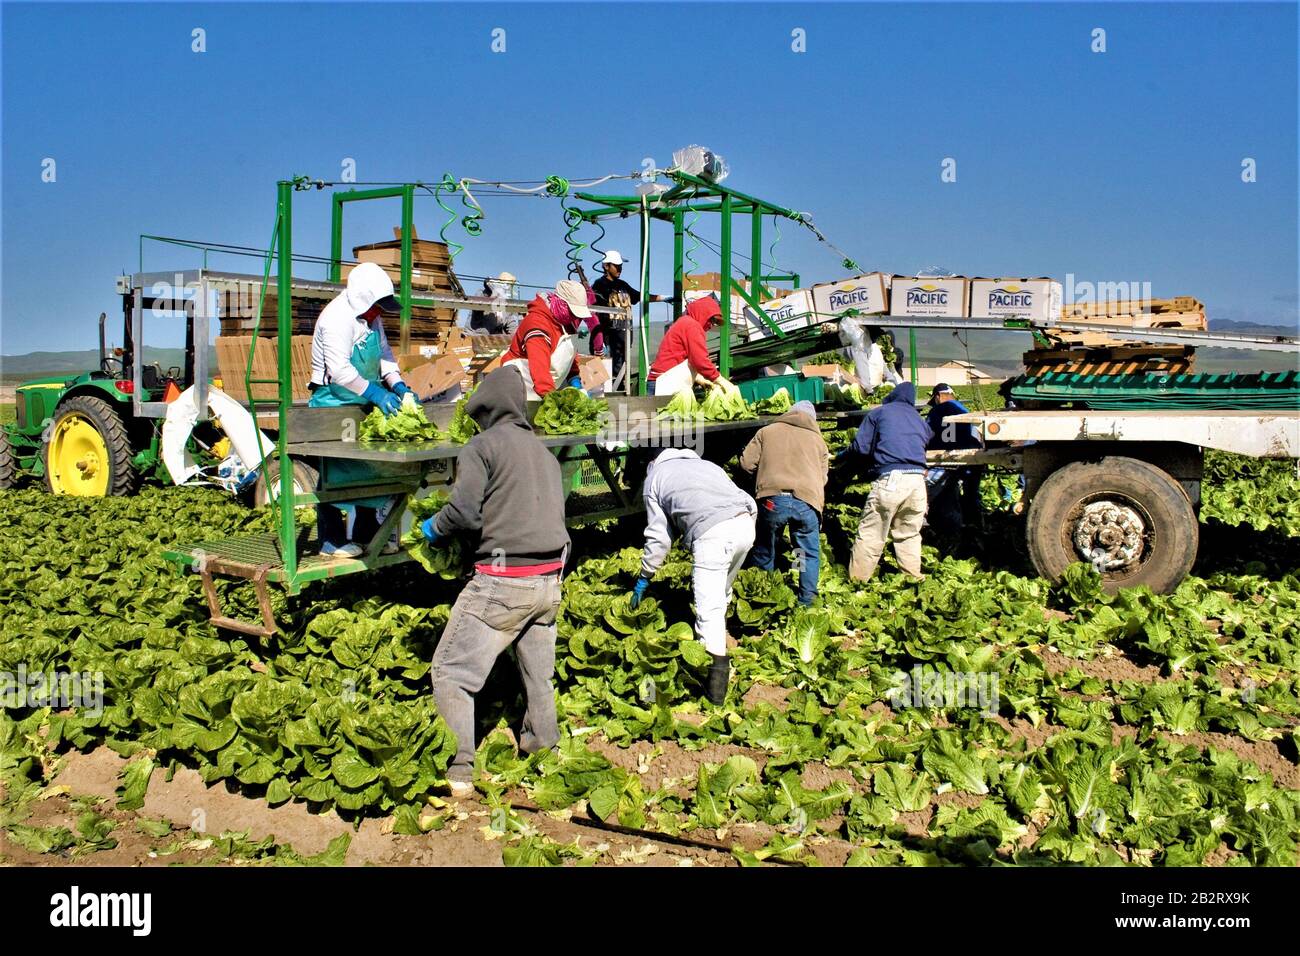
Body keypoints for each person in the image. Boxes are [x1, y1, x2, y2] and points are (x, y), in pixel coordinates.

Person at [419, 368, 571, 797]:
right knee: (537, 674)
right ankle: (545, 749)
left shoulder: (481, 446)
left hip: (504, 584)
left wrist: (433, 527)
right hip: (548, 582)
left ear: (484, 411)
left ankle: (459, 768)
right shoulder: (544, 454)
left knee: (451, 671)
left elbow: (465, 512)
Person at [629, 449, 756, 705]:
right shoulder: (709, 465)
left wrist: (645, 576)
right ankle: (722, 639)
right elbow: (743, 498)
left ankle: (714, 692)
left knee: (707, 610)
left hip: (713, 534)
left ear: (651, 464)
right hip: (746, 523)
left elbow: (659, 538)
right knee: (721, 591)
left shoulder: (655, 478)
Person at [307, 261, 412, 558]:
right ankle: (331, 540)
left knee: (368, 469)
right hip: (332, 401)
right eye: (377, 306)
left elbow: (384, 356)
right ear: (364, 300)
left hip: (361, 399)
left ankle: (366, 534)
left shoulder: (371, 319)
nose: (380, 313)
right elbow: (339, 371)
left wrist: (398, 384)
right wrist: (376, 392)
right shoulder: (335, 319)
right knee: (332, 472)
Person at [739, 400, 829, 606]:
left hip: (772, 501)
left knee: (765, 547)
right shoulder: (818, 441)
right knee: (805, 551)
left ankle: (763, 600)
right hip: (806, 502)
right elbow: (823, 478)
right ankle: (805, 601)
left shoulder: (767, 432)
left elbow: (746, 464)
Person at [841, 381, 933, 582]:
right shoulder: (918, 419)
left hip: (893, 479)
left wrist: (841, 456)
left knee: (872, 533)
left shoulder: (879, 413)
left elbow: (860, 448)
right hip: (918, 482)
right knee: (908, 533)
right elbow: (927, 439)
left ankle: (858, 581)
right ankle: (913, 579)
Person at [501, 278, 594, 399]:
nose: (574, 317)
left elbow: (569, 353)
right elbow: (539, 370)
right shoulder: (537, 324)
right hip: (520, 386)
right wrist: (552, 401)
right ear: (560, 302)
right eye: (572, 312)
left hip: (544, 386)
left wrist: (575, 379)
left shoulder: (566, 322)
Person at [591, 250, 662, 389]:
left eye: (620, 266)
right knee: (604, 379)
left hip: (624, 338)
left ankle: (621, 394)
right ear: (606, 266)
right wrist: (599, 341)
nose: (620, 269)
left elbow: (640, 296)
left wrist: (663, 298)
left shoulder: (623, 285)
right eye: (616, 266)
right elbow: (593, 310)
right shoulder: (599, 286)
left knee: (622, 373)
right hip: (608, 339)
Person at [924, 383, 984, 542]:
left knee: (944, 493)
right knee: (972, 493)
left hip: (943, 460)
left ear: (937, 396)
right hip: (967, 458)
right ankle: (976, 526)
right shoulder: (964, 411)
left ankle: (947, 530)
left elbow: (927, 435)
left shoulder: (934, 412)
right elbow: (976, 436)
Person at [647, 296, 740, 396]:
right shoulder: (692, 326)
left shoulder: (685, 322)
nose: (712, 325)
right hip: (665, 383)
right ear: (703, 313)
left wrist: (699, 378)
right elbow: (700, 360)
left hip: (660, 380)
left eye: (715, 323)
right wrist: (721, 380)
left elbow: (682, 358)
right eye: (712, 320)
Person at [466, 271, 518, 336]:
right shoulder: (482, 294)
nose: (508, 288)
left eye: (510, 286)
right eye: (507, 285)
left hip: (491, 341)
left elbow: (512, 326)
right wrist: (490, 289)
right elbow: (478, 304)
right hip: (472, 339)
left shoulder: (506, 307)